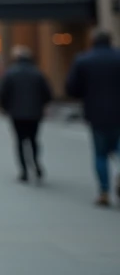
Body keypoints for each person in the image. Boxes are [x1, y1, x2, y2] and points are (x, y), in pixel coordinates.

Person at [65, 27, 120, 206]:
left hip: (97, 114)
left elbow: (72, 88)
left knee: (100, 154)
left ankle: (104, 191)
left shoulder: (83, 60)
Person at [0, 45, 51, 183]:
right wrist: (43, 105)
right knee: (33, 140)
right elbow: (47, 93)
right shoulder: (37, 73)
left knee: (20, 141)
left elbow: (3, 93)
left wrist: (4, 108)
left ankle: (24, 171)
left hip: (16, 113)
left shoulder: (11, 73)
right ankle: (36, 163)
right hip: (35, 113)